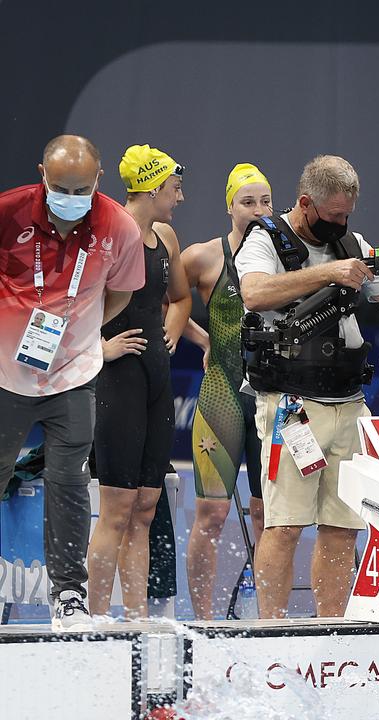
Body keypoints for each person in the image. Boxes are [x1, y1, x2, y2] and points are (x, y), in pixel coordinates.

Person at [236, 155, 379, 619]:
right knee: (285, 526)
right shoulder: (264, 237)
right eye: (333, 215)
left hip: (349, 406)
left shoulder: (353, 242)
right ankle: (271, 629)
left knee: (342, 528)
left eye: (347, 214)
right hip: (292, 408)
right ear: (306, 203)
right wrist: (328, 272)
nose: (341, 223)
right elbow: (254, 293)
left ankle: (331, 628)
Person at [0, 135, 145, 630]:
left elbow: (121, 294)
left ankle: (68, 597)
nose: (71, 196)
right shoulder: (8, 213)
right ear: (42, 173)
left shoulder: (118, 227)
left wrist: (80, 334)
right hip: (5, 377)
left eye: (82, 188)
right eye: (61, 187)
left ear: (99, 180)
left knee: (69, 482)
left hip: (74, 379)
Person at [87, 145, 191, 618]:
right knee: (115, 510)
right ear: (151, 188)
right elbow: (71, 302)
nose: (181, 197)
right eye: (174, 188)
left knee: (146, 507)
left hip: (156, 380)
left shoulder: (165, 236)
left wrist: (171, 328)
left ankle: (137, 618)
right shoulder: (109, 234)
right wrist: (98, 349)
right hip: (117, 381)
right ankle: (91, 622)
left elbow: (181, 297)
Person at [181, 163, 272, 620]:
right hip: (221, 396)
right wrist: (204, 340)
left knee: (267, 517)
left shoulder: (287, 258)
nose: (258, 211)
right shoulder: (203, 258)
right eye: (247, 202)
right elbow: (162, 300)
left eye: (265, 201)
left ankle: (268, 619)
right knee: (210, 516)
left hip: (270, 400)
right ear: (229, 206)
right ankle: (204, 622)